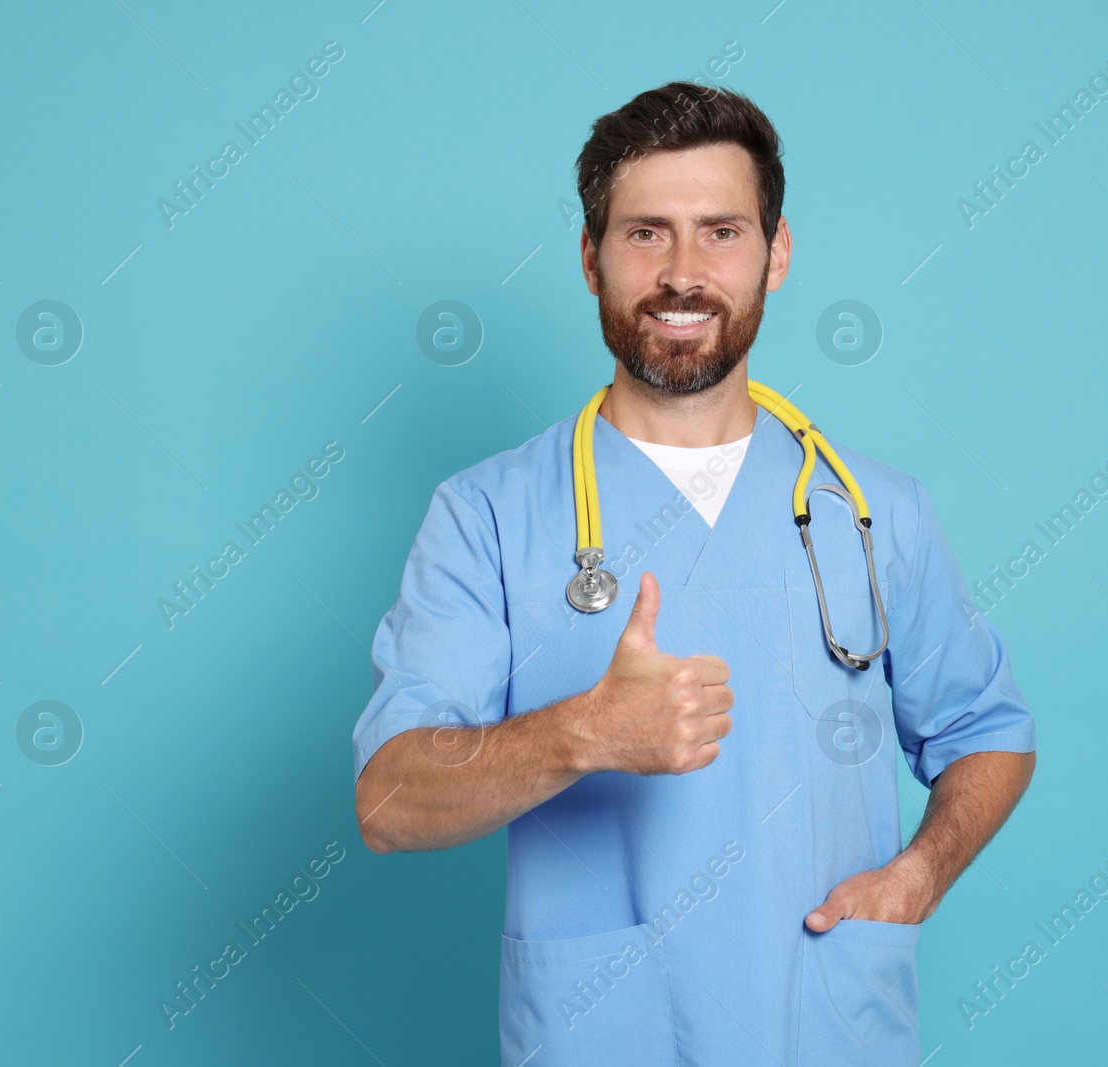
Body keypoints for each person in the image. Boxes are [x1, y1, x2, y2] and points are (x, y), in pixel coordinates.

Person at [352, 80, 1037, 1066]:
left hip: (830, 1025)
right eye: (644, 234)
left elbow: (988, 731)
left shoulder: (876, 510)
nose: (682, 272)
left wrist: (917, 877)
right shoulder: (489, 514)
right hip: (607, 1034)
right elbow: (389, 799)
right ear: (590, 259)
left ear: (778, 251)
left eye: (720, 231)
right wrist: (584, 730)